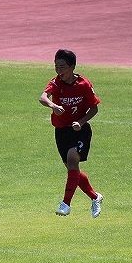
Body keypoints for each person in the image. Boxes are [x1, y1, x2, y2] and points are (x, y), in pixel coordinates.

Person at [38, 49, 104, 218]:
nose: (59, 70)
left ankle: (65, 204)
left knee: (72, 161)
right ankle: (95, 197)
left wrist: (81, 122)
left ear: (72, 67)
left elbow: (94, 107)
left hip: (80, 131)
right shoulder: (56, 83)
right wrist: (53, 106)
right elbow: (43, 97)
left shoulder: (84, 84)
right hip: (61, 132)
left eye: (62, 67)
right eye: (56, 66)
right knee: (72, 170)